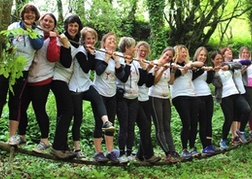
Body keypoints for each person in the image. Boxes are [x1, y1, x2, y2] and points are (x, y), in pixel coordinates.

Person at [68, 28, 116, 162]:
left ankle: (106, 122)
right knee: (78, 117)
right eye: (88, 39)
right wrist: (92, 54)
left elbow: (93, 68)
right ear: (83, 39)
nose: (91, 41)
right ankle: (77, 148)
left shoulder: (92, 51)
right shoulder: (80, 52)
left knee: (98, 98)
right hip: (76, 87)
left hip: (87, 84)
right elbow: (86, 67)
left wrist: (94, 54)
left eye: (93, 38)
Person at [17, 13, 60, 153]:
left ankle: (44, 140)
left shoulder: (55, 39)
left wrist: (53, 39)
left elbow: (52, 57)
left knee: (39, 109)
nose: (47, 23)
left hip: (43, 79)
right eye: (45, 20)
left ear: (54, 25)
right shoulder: (33, 34)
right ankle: (21, 136)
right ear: (40, 21)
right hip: (27, 77)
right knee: (21, 107)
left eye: (50, 22)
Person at [3, 4, 44, 145]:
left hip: (22, 71)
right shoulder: (13, 26)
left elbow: (38, 45)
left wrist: (28, 30)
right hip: (6, 68)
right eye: (26, 12)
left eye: (32, 13)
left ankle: (12, 136)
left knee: (14, 102)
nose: (29, 15)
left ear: (36, 16)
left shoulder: (38, 31)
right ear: (22, 14)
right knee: (0, 99)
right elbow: (6, 43)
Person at [50, 15, 82, 159]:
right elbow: (66, 63)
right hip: (57, 78)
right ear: (66, 26)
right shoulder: (62, 38)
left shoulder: (77, 42)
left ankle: (63, 147)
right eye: (71, 25)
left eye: (76, 25)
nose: (73, 28)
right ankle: (57, 147)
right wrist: (65, 44)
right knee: (69, 110)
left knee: (62, 112)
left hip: (66, 81)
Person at [93, 32, 126, 163]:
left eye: (114, 40)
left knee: (110, 124)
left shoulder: (118, 56)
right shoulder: (99, 52)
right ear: (104, 42)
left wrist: (117, 61)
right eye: (109, 40)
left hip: (112, 94)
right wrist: (107, 58)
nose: (112, 42)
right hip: (99, 92)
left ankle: (110, 152)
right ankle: (98, 152)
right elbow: (99, 70)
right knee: (98, 123)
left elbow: (122, 76)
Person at [116, 37, 148, 163]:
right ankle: (122, 153)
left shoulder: (135, 62)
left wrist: (144, 68)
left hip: (134, 98)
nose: (135, 49)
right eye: (134, 46)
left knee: (131, 126)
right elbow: (123, 78)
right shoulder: (119, 59)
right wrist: (127, 64)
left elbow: (141, 81)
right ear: (127, 48)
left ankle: (129, 152)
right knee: (123, 126)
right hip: (123, 98)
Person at [211, 50, 250, 150]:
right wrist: (215, 73)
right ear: (212, 60)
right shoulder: (211, 71)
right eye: (217, 59)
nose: (219, 61)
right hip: (224, 96)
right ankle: (223, 140)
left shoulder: (227, 65)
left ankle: (240, 131)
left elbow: (239, 65)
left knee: (247, 110)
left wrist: (229, 67)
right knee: (229, 118)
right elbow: (217, 85)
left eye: (220, 58)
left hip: (235, 92)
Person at [170, 45, 204, 159]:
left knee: (194, 122)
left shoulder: (189, 65)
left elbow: (201, 64)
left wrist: (190, 65)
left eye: (185, 52)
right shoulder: (172, 66)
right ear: (176, 53)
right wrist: (183, 70)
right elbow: (172, 79)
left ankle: (192, 146)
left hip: (192, 94)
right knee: (187, 123)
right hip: (179, 96)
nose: (184, 54)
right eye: (182, 52)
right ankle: (184, 149)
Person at [149, 46, 181, 162]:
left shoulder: (169, 66)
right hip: (154, 96)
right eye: (166, 55)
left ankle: (172, 150)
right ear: (162, 54)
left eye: (170, 57)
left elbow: (171, 82)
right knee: (160, 126)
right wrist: (161, 68)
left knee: (167, 125)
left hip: (166, 97)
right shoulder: (155, 64)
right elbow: (154, 81)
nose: (167, 58)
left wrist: (172, 70)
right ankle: (167, 152)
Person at [134, 41, 161, 163]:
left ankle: (140, 155)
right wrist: (146, 69)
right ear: (136, 50)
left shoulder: (147, 63)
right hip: (136, 98)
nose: (143, 53)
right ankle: (149, 155)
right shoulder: (134, 63)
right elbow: (139, 82)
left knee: (147, 127)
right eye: (141, 50)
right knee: (144, 126)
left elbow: (149, 83)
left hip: (146, 98)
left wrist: (153, 71)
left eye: (145, 51)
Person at [192, 47, 219, 155]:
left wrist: (211, 71)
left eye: (204, 55)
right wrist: (201, 70)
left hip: (208, 95)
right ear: (197, 55)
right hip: (198, 96)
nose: (203, 57)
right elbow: (192, 77)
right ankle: (204, 146)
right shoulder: (192, 66)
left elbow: (208, 81)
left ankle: (209, 144)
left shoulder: (205, 67)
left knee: (209, 121)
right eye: (201, 55)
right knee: (203, 121)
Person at [221, 47, 251, 145]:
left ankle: (239, 132)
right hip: (228, 93)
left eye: (231, 51)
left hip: (239, 91)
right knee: (232, 117)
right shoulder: (222, 65)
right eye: (227, 51)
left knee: (243, 112)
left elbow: (246, 62)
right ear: (223, 54)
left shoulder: (235, 63)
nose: (230, 52)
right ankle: (232, 136)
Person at [238, 47, 252, 137]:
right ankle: (241, 130)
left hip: (250, 86)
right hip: (244, 88)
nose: (245, 54)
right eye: (243, 53)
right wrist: (244, 67)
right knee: (247, 109)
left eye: (247, 53)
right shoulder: (238, 63)